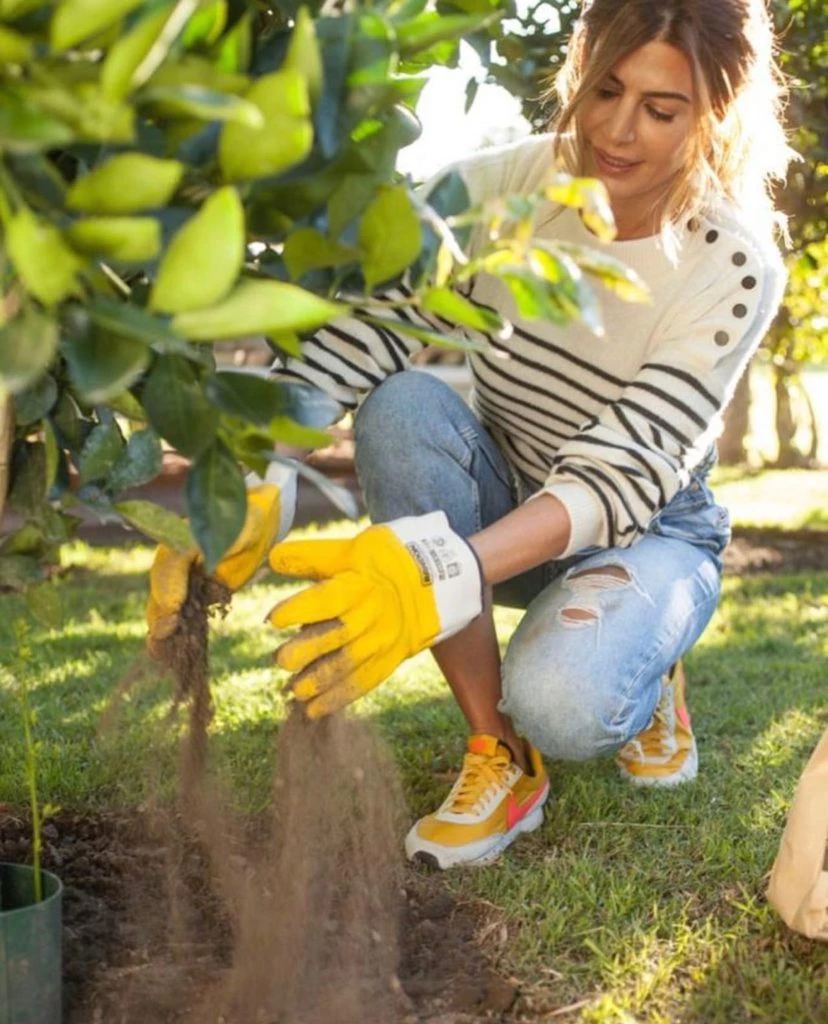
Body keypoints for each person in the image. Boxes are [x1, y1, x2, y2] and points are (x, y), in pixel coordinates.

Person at [148, 0, 791, 869]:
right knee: (403, 404)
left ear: (716, 116)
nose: (618, 131)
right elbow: (372, 326)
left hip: (648, 533)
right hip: (512, 497)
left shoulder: (734, 263)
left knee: (565, 703)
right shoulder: (507, 188)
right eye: (604, 89)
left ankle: (647, 667)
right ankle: (499, 753)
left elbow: (621, 472)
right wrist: (252, 471)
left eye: (661, 109)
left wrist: (436, 573)